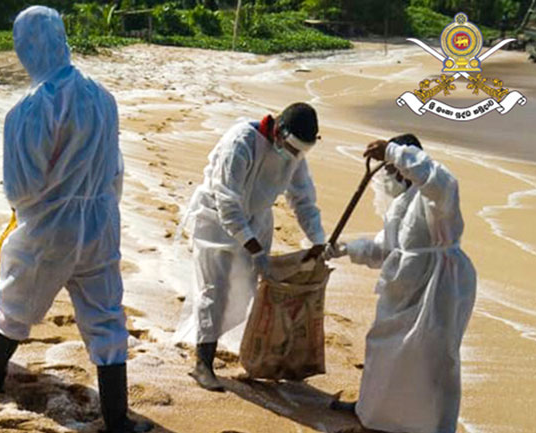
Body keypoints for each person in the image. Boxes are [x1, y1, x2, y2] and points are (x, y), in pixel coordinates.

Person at [0, 6, 152, 433]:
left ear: (25, 49)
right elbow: (114, 169)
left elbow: (22, 188)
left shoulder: (30, 109)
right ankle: (117, 418)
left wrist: (33, 213)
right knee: (106, 316)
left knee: (16, 303)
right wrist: (101, 211)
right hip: (100, 220)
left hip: (51, 226)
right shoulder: (103, 97)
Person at [325, 134, 477, 433]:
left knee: (433, 358)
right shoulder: (401, 204)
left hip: (438, 289)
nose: (391, 175)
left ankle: (434, 426)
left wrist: (394, 151)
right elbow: (385, 249)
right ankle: (370, 411)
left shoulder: (435, 199)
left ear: (406, 165)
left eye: (394, 168)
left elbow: (440, 180)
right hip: (403, 289)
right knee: (382, 347)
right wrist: (345, 249)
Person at [184, 102, 326, 392]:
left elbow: (303, 200)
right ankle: (203, 363)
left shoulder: (293, 152)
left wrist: (318, 240)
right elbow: (227, 201)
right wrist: (255, 250)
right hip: (216, 221)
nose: (296, 156)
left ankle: (233, 348)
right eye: (294, 148)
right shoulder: (241, 142)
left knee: (246, 289)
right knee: (216, 288)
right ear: (279, 131)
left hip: (258, 219)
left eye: (302, 151)